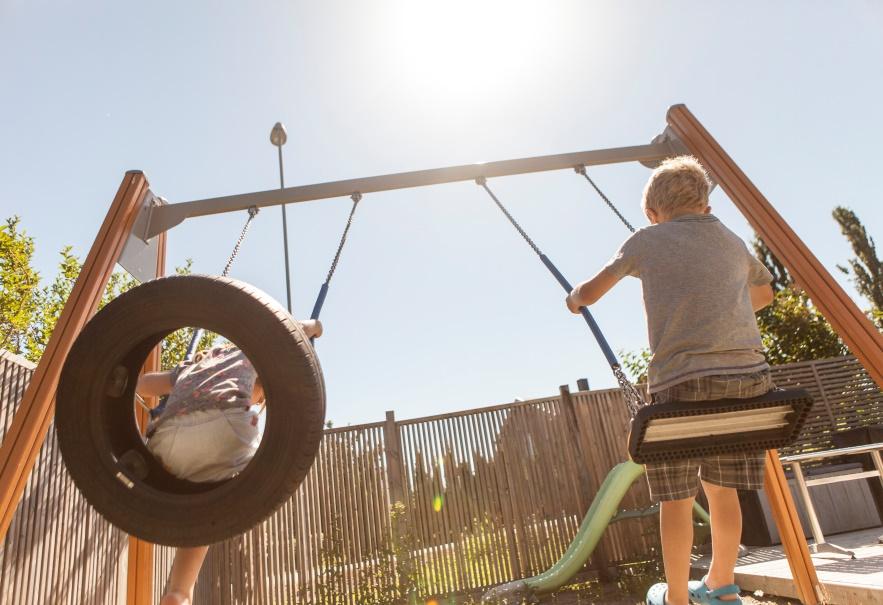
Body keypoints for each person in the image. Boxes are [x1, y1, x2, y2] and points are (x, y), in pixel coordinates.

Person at [565, 156, 775, 605]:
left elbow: (592, 291)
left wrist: (574, 299)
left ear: (652, 213)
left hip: (681, 385)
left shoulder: (646, 240)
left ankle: (677, 597)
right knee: (723, 491)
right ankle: (722, 585)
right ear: (704, 204)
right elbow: (765, 292)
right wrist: (724, 313)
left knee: (676, 499)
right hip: (749, 383)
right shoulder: (731, 240)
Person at [136, 319, 324, 605]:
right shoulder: (255, 354)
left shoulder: (195, 365)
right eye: (259, 397)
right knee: (225, 499)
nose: (258, 400)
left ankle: (178, 593)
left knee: (201, 504)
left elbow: (147, 385)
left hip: (168, 437)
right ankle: (179, 591)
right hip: (226, 427)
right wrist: (314, 326)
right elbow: (288, 328)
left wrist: (118, 379)